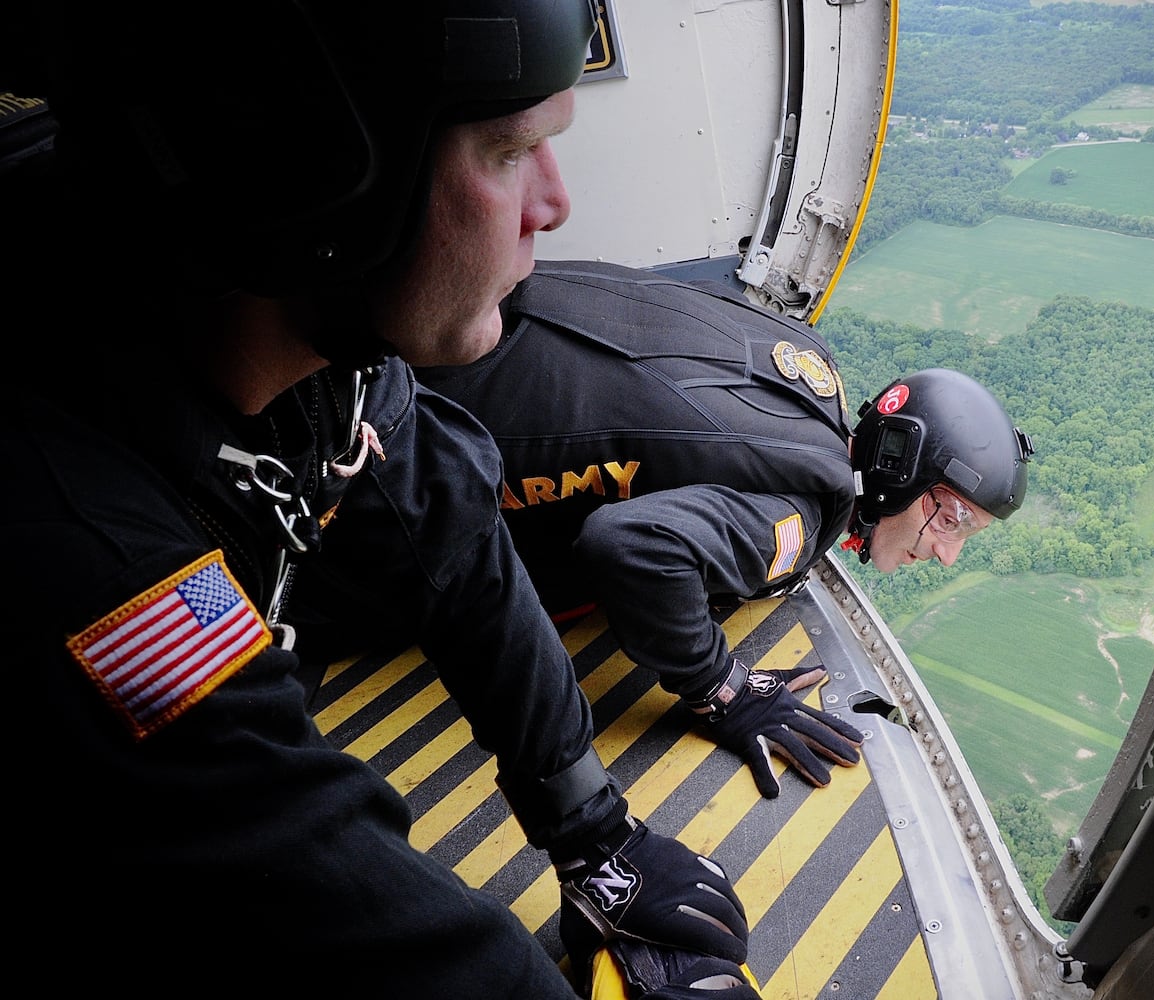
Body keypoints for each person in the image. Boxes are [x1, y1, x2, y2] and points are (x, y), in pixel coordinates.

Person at [5, 3, 757, 997]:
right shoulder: (75, 548)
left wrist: (595, 836)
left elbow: (448, 532)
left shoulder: (289, 309)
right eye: (507, 152)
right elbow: (301, 882)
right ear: (312, 178)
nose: (555, 203)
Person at [407, 259, 1035, 800]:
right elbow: (629, 547)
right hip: (403, 463)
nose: (949, 554)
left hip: (433, 325)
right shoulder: (801, 513)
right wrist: (724, 689)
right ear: (900, 473)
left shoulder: (807, 362)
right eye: (951, 519)